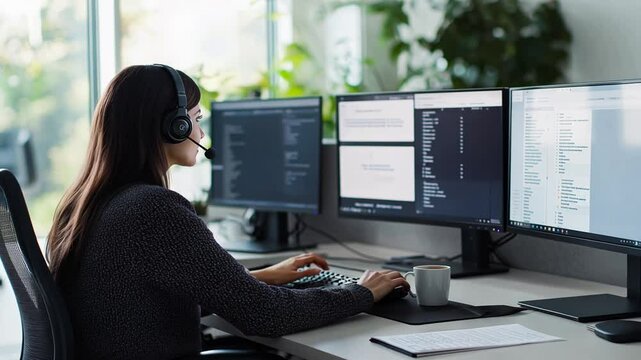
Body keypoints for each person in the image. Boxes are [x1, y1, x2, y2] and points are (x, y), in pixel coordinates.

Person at [46, 64, 409, 360]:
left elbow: (137, 304)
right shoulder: (152, 210)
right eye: (196, 118)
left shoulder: (85, 204)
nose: (201, 131)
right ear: (175, 127)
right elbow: (263, 315)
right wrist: (362, 292)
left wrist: (259, 278)